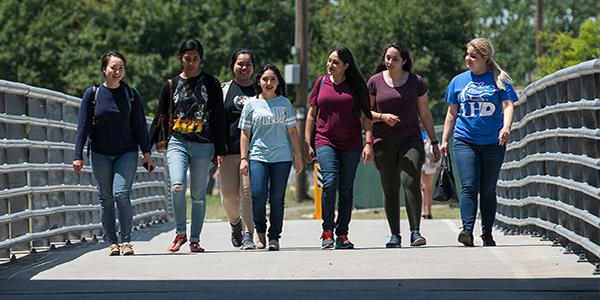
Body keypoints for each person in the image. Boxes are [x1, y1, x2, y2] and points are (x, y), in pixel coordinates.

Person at [73, 50, 155, 256]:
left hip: (126, 152)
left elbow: (139, 126)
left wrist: (146, 152)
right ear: (104, 69)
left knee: (121, 194)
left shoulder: (131, 94)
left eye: (121, 68)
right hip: (99, 152)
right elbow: (82, 126)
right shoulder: (93, 94)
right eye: (113, 67)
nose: (117, 71)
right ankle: (112, 242)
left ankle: (126, 241)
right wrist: (78, 155)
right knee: (106, 198)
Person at [149, 39, 227, 253]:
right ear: (180, 59)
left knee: (199, 196)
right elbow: (159, 116)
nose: (191, 63)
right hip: (178, 142)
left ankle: (194, 239)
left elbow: (219, 117)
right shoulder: (171, 84)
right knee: (177, 186)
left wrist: (221, 149)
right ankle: (180, 232)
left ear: (200, 59)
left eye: (195, 59)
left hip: (204, 145)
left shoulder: (211, 83)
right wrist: (146, 148)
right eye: (187, 59)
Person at [441, 37, 517, 247]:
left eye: (473, 56)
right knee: (468, 187)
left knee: (488, 189)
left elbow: (509, 105)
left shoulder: (500, 80)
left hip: (493, 142)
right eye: (467, 54)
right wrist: (445, 139)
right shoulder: (458, 81)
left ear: (485, 57)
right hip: (465, 140)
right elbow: (451, 113)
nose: (468, 59)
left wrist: (506, 127)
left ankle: (487, 233)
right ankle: (466, 230)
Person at [367, 41, 440, 248]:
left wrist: (434, 142)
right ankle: (394, 235)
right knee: (390, 188)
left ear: (404, 61)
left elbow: (424, 113)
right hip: (383, 142)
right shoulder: (374, 82)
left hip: (411, 139)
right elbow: (364, 114)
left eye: (395, 59)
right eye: (387, 58)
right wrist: (381, 118)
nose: (389, 62)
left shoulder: (416, 82)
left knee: (410, 181)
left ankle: (415, 231)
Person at [305, 46, 373, 250]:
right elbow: (311, 114)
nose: (330, 65)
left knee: (346, 188)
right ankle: (327, 231)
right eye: (329, 61)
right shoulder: (321, 83)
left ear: (346, 66)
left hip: (351, 143)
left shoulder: (356, 86)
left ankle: (342, 233)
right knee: (330, 182)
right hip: (325, 140)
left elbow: (366, 117)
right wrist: (308, 142)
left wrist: (368, 142)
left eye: (335, 62)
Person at [239, 64, 303, 251]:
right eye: (265, 79)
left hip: (281, 158)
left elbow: (292, 132)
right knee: (257, 196)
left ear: (278, 82)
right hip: (258, 156)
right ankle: (260, 232)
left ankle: (274, 236)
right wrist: (244, 158)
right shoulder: (251, 104)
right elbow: (245, 134)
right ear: (259, 81)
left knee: (277, 199)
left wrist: (298, 155)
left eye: (273, 79)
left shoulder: (284, 103)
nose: (268, 83)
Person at [219, 48, 257, 250]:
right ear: (233, 66)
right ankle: (235, 223)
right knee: (228, 197)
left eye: (248, 64)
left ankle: (248, 235)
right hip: (227, 152)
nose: (244, 67)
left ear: (253, 67)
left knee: (247, 193)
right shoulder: (223, 90)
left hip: (254, 153)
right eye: (240, 63)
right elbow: (215, 121)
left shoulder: (260, 92)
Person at [420, 121, 441, 219]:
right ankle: (423, 211)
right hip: (420, 162)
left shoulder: (430, 132)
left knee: (428, 187)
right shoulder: (415, 132)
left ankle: (429, 210)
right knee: (422, 187)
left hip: (430, 162)